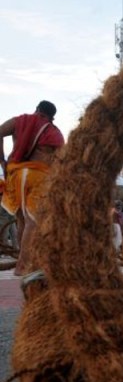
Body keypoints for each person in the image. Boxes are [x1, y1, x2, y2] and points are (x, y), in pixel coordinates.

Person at [0, 100, 65, 275]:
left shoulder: (19, 121)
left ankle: (25, 260)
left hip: (16, 174)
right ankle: (23, 265)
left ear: (37, 110)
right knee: (33, 221)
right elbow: (62, 159)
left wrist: (2, 161)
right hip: (38, 176)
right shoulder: (53, 131)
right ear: (52, 117)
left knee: (22, 220)